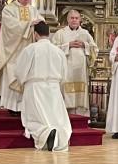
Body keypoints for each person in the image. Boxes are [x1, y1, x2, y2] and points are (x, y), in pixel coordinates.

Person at [8, 20, 72, 152]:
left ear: (35, 34)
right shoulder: (58, 51)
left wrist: (22, 81)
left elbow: (20, 70)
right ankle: (58, 137)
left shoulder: (30, 49)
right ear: (48, 34)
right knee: (56, 117)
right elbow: (65, 73)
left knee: (36, 118)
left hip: (35, 88)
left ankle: (46, 134)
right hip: (54, 88)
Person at [0, 0, 44, 113]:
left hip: (29, 50)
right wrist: (29, 24)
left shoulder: (33, 9)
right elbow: (10, 28)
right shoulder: (8, 9)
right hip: (13, 50)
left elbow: (41, 22)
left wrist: (39, 22)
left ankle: (25, 106)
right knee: (14, 72)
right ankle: (12, 107)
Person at [50, 9, 98, 115]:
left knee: (80, 94)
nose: (74, 20)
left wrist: (84, 45)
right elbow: (53, 49)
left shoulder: (85, 34)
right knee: (67, 91)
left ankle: (81, 115)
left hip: (81, 71)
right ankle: (66, 114)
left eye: (76, 18)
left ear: (80, 20)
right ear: (67, 19)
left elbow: (95, 49)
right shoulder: (60, 33)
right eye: (72, 18)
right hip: (67, 69)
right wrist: (68, 45)